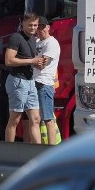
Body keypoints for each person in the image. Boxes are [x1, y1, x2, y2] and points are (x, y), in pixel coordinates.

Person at [3, 13, 45, 143]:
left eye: (35, 25)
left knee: (36, 119)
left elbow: (31, 62)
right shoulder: (16, 37)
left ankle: (38, 151)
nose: (33, 28)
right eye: (30, 25)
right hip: (17, 80)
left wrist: (39, 64)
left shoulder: (33, 39)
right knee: (15, 119)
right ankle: (9, 149)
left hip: (30, 81)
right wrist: (32, 60)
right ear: (23, 24)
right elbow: (8, 61)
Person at [33, 16, 61, 145]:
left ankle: (52, 148)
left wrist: (27, 62)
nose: (41, 29)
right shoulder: (37, 42)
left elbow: (42, 63)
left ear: (48, 27)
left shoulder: (52, 43)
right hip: (34, 82)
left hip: (44, 84)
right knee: (35, 119)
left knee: (48, 119)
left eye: (43, 27)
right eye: (38, 27)